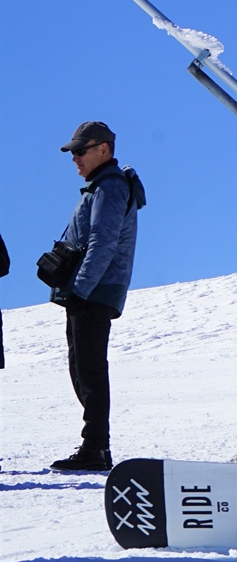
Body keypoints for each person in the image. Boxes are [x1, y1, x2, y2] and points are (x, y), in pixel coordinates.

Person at [45, 122, 146, 473]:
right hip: (90, 290)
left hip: (93, 291)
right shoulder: (100, 186)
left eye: (80, 150)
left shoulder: (110, 186)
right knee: (82, 368)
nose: (75, 157)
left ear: (103, 149)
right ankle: (95, 447)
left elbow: (104, 241)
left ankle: (96, 449)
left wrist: (80, 289)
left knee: (88, 368)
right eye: (72, 151)